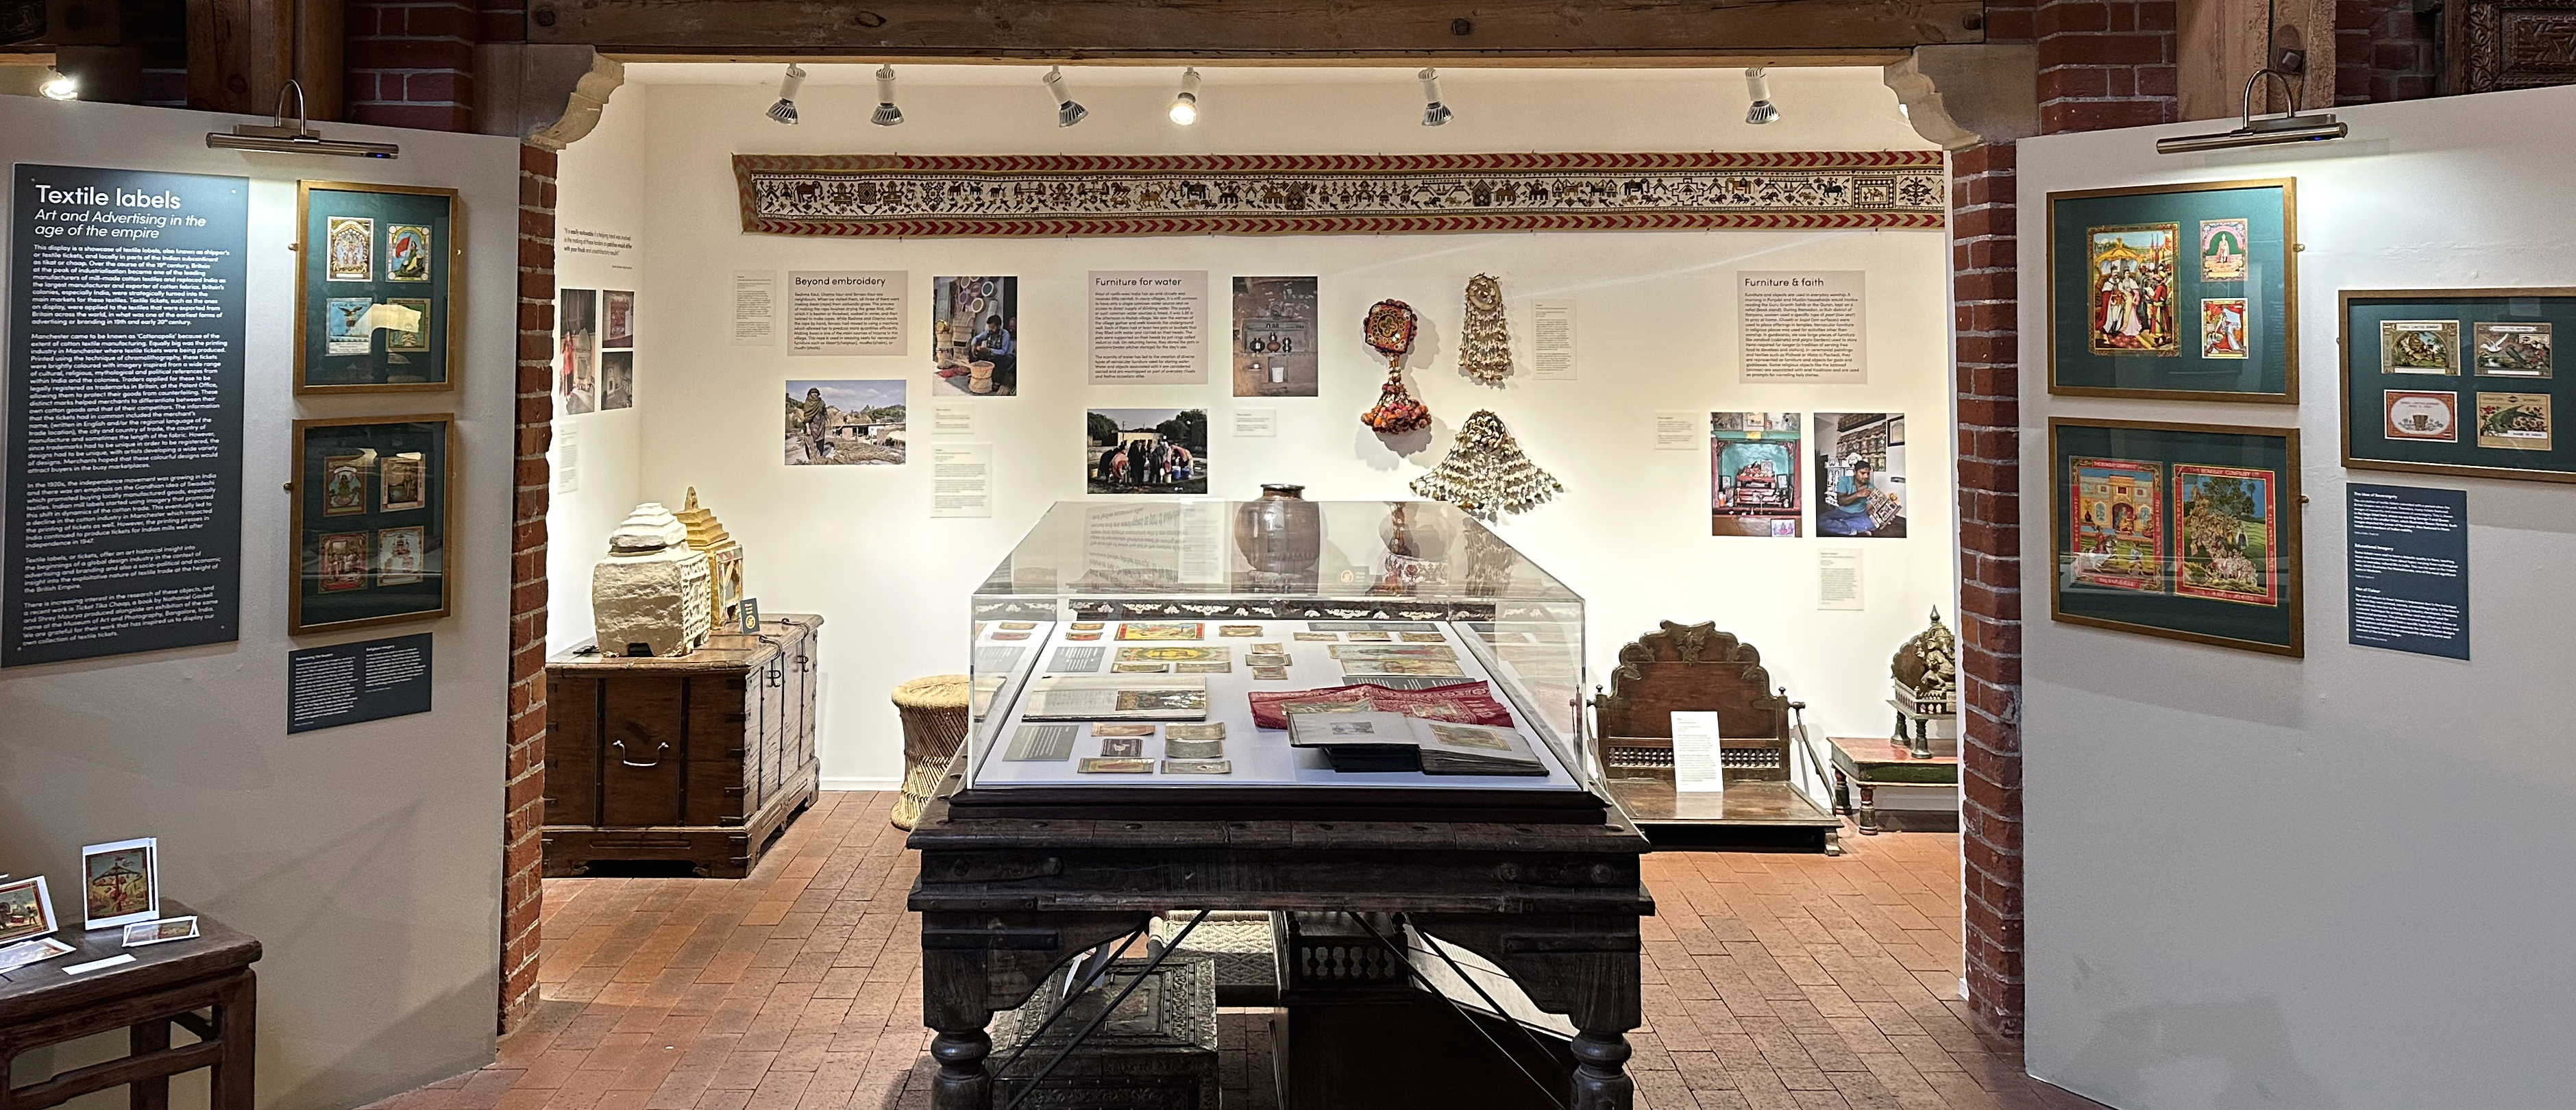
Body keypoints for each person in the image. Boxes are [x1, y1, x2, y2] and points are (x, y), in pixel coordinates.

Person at [1819, 459, 1880, 536]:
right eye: (1863, 473)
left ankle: (1840, 524)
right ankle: (1853, 530)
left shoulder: (1871, 488)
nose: (1866, 476)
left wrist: (1880, 514)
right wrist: (1858, 494)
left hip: (1860, 514)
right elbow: (1841, 502)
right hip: (1841, 512)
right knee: (1819, 521)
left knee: (1874, 524)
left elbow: (1869, 510)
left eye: (1868, 473)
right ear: (1855, 472)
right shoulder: (1845, 480)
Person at [971, 314, 1016, 393]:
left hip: (1002, 356)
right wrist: (973, 345)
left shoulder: (1005, 334)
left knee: (1008, 359)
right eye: (990, 327)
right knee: (974, 353)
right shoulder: (988, 332)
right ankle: (977, 376)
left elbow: (1004, 351)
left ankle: (998, 381)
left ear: (999, 326)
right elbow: (977, 338)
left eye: (993, 328)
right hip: (992, 355)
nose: (991, 329)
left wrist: (989, 350)